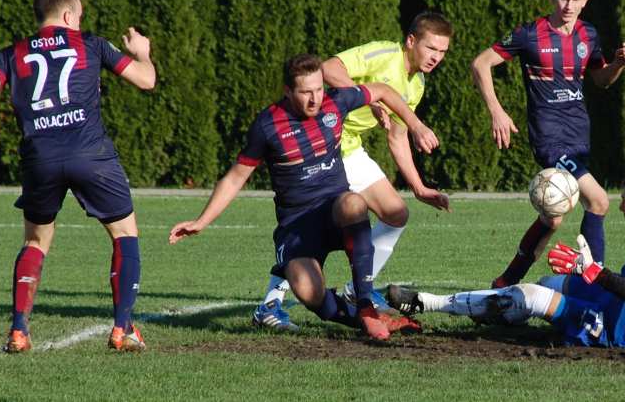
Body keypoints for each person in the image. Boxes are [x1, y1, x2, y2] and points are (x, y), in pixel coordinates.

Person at [168, 54, 440, 340]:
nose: (315, 99)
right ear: (288, 91)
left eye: (319, 89)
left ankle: (365, 304)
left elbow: (382, 91)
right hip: (297, 223)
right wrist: (202, 221)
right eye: (306, 92)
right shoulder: (267, 125)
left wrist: (416, 125)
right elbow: (236, 177)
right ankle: (366, 320)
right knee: (307, 291)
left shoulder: (337, 101)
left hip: (335, 208)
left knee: (353, 202)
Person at [0, 0, 156, 353]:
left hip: (40, 158)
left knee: (35, 240)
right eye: (79, 16)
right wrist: (142, 54)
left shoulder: (11, 54)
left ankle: (18, 330)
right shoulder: (92, 44)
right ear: (68, 16)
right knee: (124, 233)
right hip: (90, 154)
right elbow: (147, 80)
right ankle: (122, 329)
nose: (80, 22)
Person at [252, 13, 453, 331]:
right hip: (320, 147)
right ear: (411, 41)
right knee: (310, 225)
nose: (436, 57)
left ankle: (358, 288)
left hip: (350, 148)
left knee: (396, 213)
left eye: (443, 52)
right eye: (432, 48)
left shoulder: (417, 84)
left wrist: (419, 187)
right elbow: (330, 68)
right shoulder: (384, 54)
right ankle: (271, 303)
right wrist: (367, 96)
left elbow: (397, 136)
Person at [386, 169, 625, 349]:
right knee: (547, 285)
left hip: (615, 330)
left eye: (623, 202)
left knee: (529, 296)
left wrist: (593, 270)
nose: (619, 207)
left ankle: (423, 303)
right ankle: (498, 311)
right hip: (613, 301)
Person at [471, 0, 625, 288]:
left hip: (579, 137)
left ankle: (506, 281)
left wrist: (618, 64)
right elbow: (481, 63)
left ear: (585, 0)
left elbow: (600, 79)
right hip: (550, 138)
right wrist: (497, 111)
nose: (568, 6)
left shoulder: (588, 35)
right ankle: (595, 281)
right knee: (599, 201)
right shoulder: (530, 34)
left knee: (553, 216)